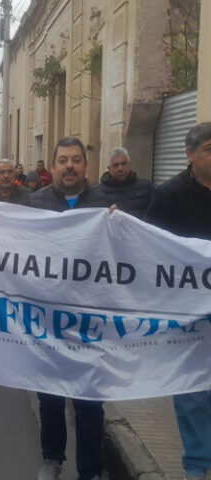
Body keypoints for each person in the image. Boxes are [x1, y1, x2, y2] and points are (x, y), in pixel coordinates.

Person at [28, 137, 110, 480]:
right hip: (48, 318)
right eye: (63, 160)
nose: (70, 166)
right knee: (50, 396)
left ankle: (90, 469)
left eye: (76, 160)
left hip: (91, 320)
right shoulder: (34, 204)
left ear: (86, 167)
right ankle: (53, 457)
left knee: (90, 402)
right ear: (53, 165)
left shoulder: (106, 206)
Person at [144, 123, 211, 480]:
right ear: (190, 154)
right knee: (193, 390)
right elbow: (146, 247)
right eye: (210, 149)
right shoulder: (169, 196)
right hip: (187, 312)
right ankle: (198, 465)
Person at [93, 147, 154, 219]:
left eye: (124, 163)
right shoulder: (97, 193)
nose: (120, 169)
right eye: (116, 165)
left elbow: (155, 216)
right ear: (109, 168)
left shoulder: (146, 188)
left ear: (129, 164)